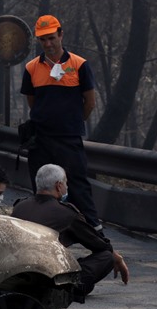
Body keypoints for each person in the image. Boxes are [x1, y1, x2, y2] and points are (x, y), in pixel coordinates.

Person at [20, 14, 101, 229]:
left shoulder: (79, 65)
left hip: (68, 138)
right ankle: (42, 233)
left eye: (51, 38)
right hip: (41, 139)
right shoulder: (31, 68)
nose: (48, 44)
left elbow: (90, 102)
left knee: (78, 186)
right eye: (43, 40)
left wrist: (72, 121)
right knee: (41, 190)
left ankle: (95, 233)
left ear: (61, 35)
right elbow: (33, 102)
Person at [12, 164, 129, 301]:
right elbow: (99, 244)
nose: (67, 187)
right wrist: (117, 258)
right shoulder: (67, 213)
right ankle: (71, 290)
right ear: (59, 186)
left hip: (15, 272)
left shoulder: (19, 206)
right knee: (106, 257)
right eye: (66, 182)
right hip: (47, 278)